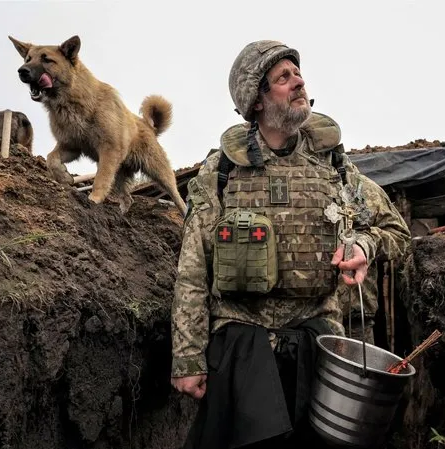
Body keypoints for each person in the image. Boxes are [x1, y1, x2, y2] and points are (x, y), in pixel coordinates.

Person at [170, 40, 411, 449]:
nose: (298, 81)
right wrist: (188, 357)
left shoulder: (334, 165)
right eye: (283, 77)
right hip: (241, 344)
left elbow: (397, 234)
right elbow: (193, 266)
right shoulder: (223, 170)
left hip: (318, 343)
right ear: (257, 99)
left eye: (298, 74)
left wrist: (365, 247)